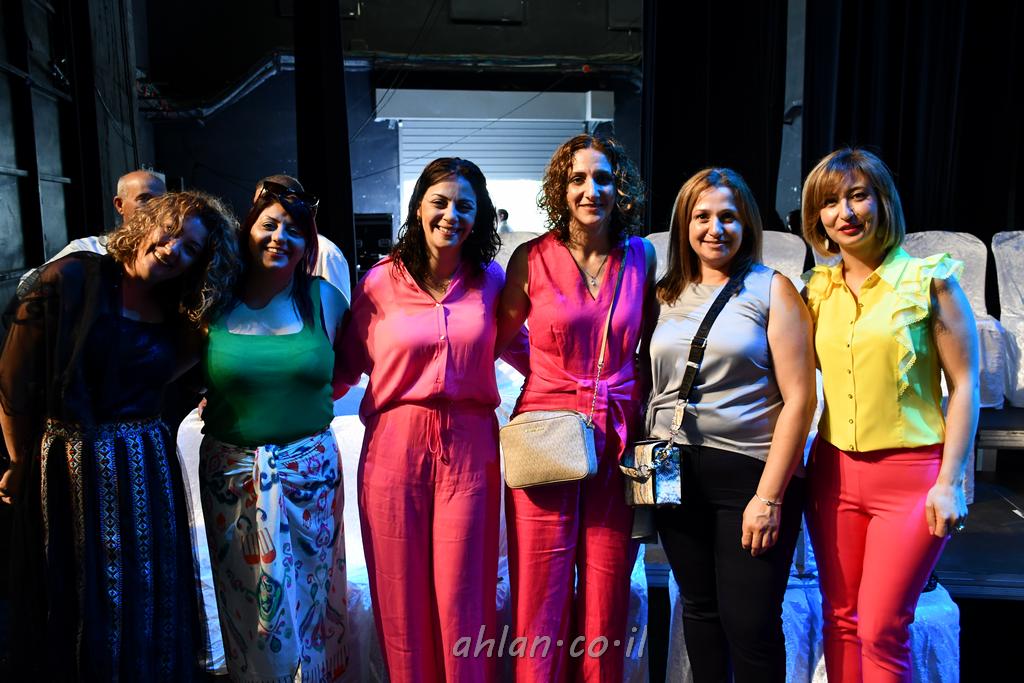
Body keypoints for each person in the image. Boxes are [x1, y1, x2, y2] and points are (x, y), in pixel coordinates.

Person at [0, 190, 239, 680]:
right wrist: (19, 463)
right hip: (69, 467)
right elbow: (13, 386)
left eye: (191, 248)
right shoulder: (70, 277)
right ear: (147, 223)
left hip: (146, 466)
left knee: (149, 589)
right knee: (77, 592)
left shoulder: (178, 308)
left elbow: (164, 374)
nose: (173, 248)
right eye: (170, 232)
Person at [335, 157, 527, 682]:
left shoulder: (492, 281)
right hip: (393, 452)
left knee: (466, 599)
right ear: (418, 207)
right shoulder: (380, 282)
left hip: (470, 453)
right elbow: (342, 368)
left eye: (464, 206)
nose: (451, 215)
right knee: (400, 602)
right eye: (439, 202)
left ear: (478, 216)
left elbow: (530, 353)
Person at [800, 148, 979, 682]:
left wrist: (950, 482)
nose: (845, 212)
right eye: (830, 202)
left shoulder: (931, 281)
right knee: (839, 620)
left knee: (882, 629)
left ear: (882, 201)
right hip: (833, 475)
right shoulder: (816, 290)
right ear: (817, 217)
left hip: (911, 479)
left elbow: (965, 385)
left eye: (858, 196)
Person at [496, 134, 656, 681]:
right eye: (578, 179)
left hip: (619, 436)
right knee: (540, 592)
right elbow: (500, 339)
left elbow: (648, 342)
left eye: (603, 178)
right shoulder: (531, 259)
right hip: (546, 433)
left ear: (620, 187)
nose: (592, 190)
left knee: (609, 587)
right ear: (560, 191)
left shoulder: (641, 255)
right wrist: (550, 375)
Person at [647, 168, 815, 682]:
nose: (715, 228)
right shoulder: (665, 293)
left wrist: (769, 498)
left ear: (747, 225)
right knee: (698, 611)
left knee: (751, 624)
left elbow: (801, 400)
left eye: (728, 216)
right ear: (684, 224)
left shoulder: (773, 288)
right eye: (702, 216)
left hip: (751, 474)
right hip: (673, 469)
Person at [198, 177, 350, 680]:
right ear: (248, 229)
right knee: (248, 609)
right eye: (269, 224)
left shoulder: (325, 299)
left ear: (309, 243)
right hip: (232, 479)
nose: (280, 237)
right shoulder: (215, 299)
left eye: (295, 230)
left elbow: (348, 366)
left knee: (314, 598)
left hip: (311, 476)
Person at [18, 169, 168, 287]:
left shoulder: (171, 252)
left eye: (161, 201)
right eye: (144, 199)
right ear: (119, 205)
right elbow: (27, 285)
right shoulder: (89, 250)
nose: (155, 208)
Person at [255, 174, 353, 303]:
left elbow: (337, 307)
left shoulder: (326, 253)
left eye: (265, 201)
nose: (259, 210)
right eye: (257, 205)